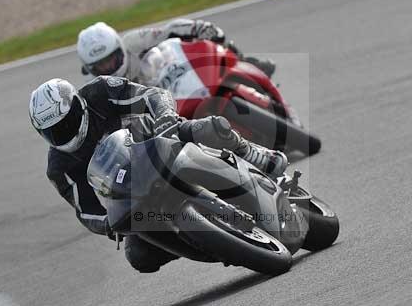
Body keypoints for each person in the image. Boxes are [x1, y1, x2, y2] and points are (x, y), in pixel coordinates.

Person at [29, 76, 288, 273]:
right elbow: (85, 210)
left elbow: (152, 94)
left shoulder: (100, 91)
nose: (63, 132)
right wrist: (107, 223)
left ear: (77, 105)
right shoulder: (59, 168)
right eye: (53, 131)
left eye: (66, 121)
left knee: (207, 128)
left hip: (160, 142)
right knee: (139, 256)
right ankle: (212, 244)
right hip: (133, 191)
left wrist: (164, 115)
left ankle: (251, 152)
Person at [76, 19, 276, 83]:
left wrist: (198, 28)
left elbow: (169, 31)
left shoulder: (133, 42)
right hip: (153, 117)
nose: (109, 67)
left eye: (111, 59)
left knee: (211, 47)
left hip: (172, 79)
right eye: (101, 65)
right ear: (90, 69)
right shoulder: (95, 87)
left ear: (120, 48)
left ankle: (245, 64)